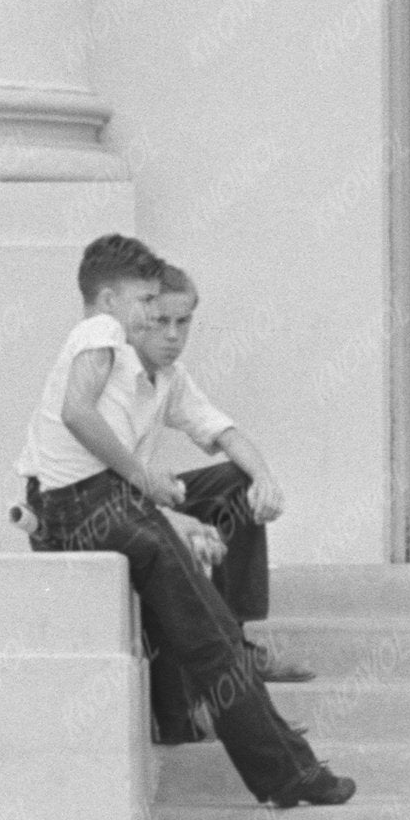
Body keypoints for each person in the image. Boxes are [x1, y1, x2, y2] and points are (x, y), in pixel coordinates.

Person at [14, 230, 354, 813]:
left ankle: (255, 743)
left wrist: (166, 507)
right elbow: (76, 414)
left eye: (168, 311)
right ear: (111, 299)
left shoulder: (124, 351)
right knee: (207, 630)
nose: (155, 318)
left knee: (206, 623)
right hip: (81, 506)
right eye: (146, 304)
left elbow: (204, 435)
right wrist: (157, 497)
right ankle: (286, 773)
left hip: (92, 501)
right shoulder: (100, 331)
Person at [99, 256, 310, 682]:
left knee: (237, 481)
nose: (174, 336)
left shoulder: (170, 376)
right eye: (161, 321)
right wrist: (176, 522)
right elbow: (109, 480)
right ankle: (219, 664)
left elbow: (226, 433)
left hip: (145, 497)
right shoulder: (113, 373)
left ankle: (236, 637)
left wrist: (264, 479)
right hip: (106, 509)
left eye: (184, 321)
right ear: (138, 317)